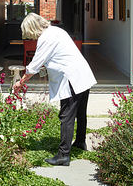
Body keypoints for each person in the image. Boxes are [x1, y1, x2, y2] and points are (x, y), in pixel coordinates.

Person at [12, 13, 97, 166]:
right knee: (80, 112)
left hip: (71, 78)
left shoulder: (46, 38)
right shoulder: (57, 31)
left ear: (33, 28)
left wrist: (21, 83)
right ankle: (80, 142)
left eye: (29, 34)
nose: (31, 38)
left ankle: (63, 155)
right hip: (82, 74)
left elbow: (34, 66)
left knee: (66, 115)